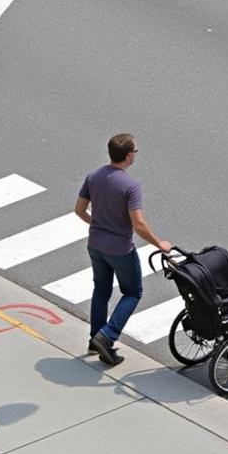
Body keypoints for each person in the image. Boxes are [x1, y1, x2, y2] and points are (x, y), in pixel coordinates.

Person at [74, 133, 172, 366]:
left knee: (101, 290)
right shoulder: (130, 186)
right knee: (133, 292)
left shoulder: (94, 176)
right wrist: (160, 244)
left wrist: (97, 225)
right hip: (120, 249)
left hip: (95, 244)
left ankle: (94, 339)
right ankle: (107, 336)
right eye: (135, 151)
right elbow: (138, 224)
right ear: (128, 156)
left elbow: (79, 210)